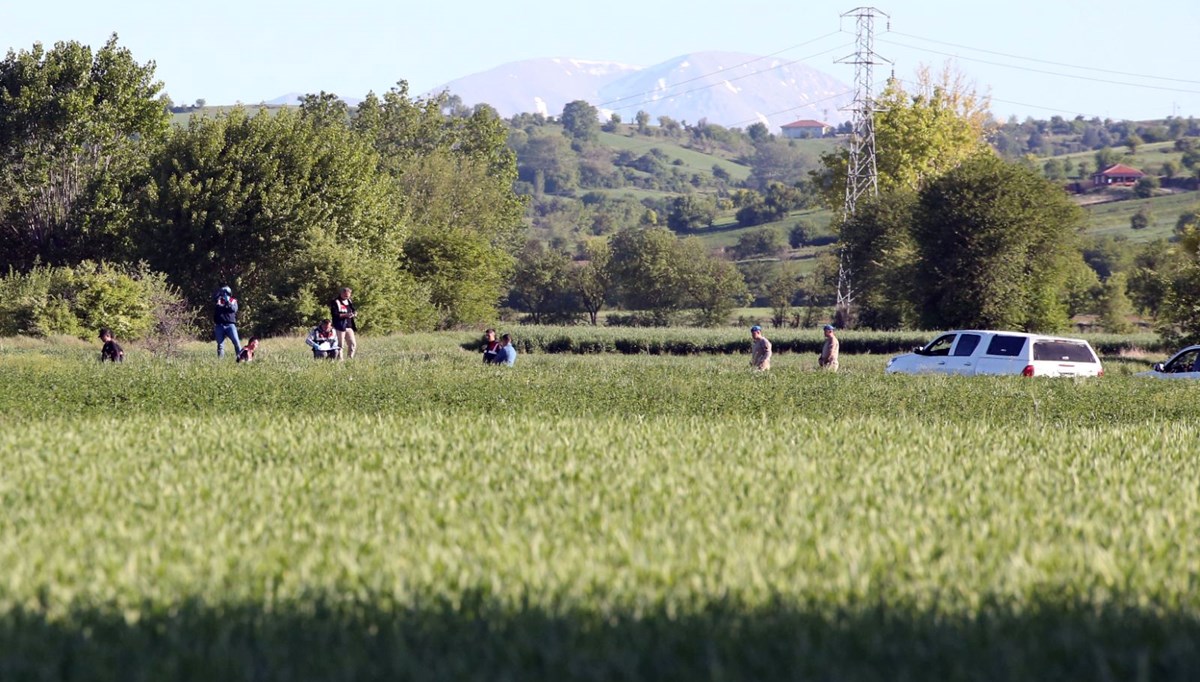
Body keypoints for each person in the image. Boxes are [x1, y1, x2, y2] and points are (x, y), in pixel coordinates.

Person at [213, 285, 241, 360]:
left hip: (230, 325)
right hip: (219, 325)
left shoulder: (233, 301)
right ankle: (220, 362)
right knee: (220, 345)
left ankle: (240, 359)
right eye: (222, 293)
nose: (224, 294)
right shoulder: (218, 301)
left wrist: (227, 301)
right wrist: (222, 303)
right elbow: (218, 309)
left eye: (225, 293)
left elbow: (233, 309)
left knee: (237, 343)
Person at [329, 287, 357, 360]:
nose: (346, 297)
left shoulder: (349, 301)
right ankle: (340, 360)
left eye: (348, 295)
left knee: (352, 344)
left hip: (349, 326)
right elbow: (334, 314)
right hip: (339, 326)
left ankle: (350, 359)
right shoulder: (335, 302)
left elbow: (353, 310)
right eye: (345, 295)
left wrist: (354, 313)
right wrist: (346, 315)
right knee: (340, 345)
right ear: (341, 293)